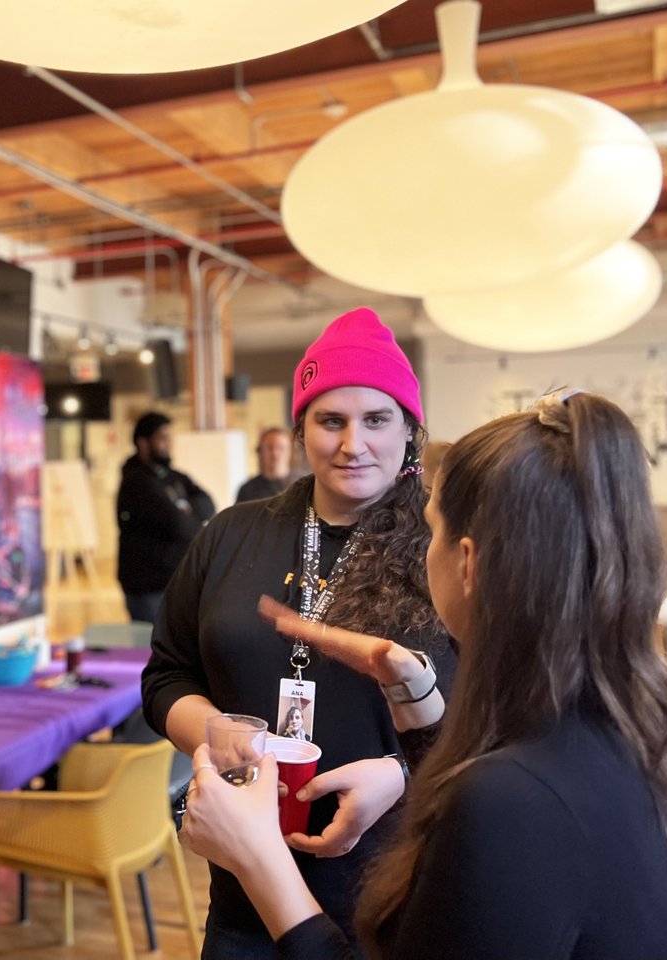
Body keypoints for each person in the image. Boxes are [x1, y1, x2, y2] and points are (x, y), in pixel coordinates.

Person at [180, 389, 667, 960]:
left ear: (469, 563)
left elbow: (498, 810)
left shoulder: (508, 801)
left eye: (431, 531)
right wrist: (417, 701)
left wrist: (259, 860)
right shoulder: (653, 741)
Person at [142, 307, 455, 958]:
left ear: (409, 430)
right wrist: (216, 731)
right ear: (301, 426)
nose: (352, 444)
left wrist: (402, 772)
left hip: (396, 885)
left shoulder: (446, 549)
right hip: (244, 884)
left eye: (376, 420)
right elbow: (167, 675)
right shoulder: (232, 534)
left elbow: (497, 714)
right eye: (330, 420)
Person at [117, 411, 215, 623]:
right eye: (162, 438)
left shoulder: (172, 476)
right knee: (152, 649)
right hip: (148, 587)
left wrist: (187, 512)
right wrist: (185, 512)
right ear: (143, 443)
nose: (168, 443)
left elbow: (208, 503)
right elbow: (179, 525)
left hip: (174, 582)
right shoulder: (136, 482)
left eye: (169, 437)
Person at [236, 426, 298, 503]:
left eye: (281, 448)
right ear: (260, 451)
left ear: (290, 451)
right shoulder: (247, 490)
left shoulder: (304, 486)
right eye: (269, 448)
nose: (275, 453)